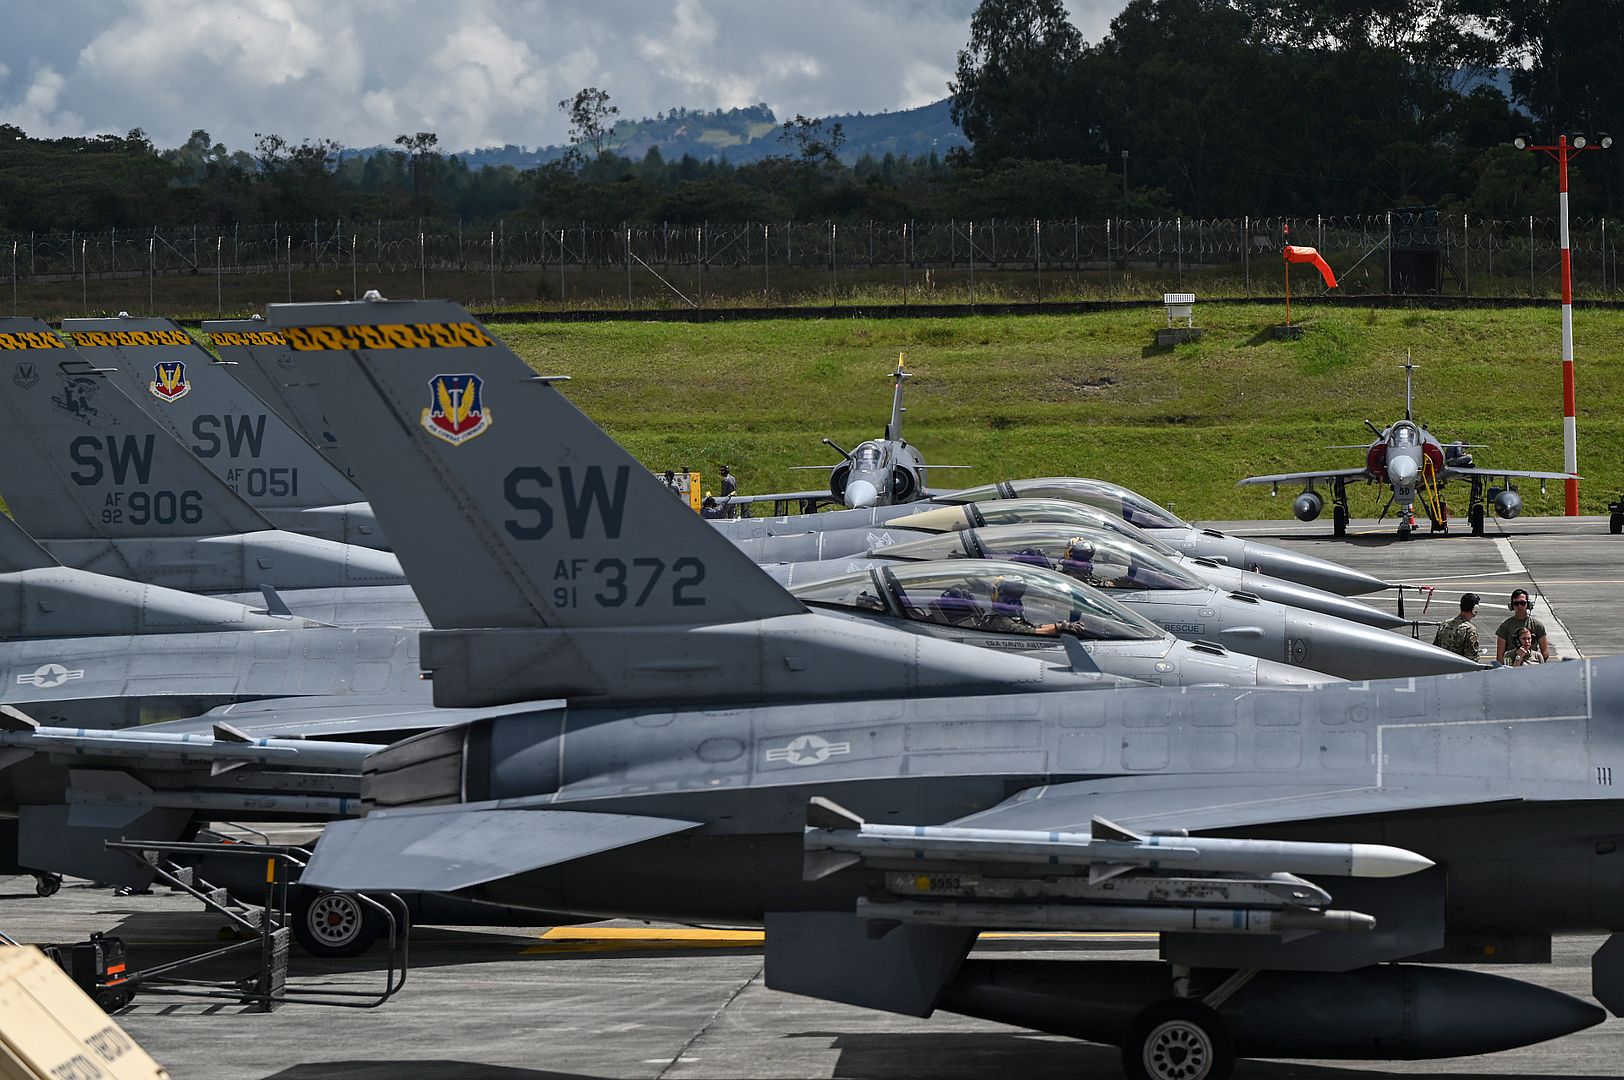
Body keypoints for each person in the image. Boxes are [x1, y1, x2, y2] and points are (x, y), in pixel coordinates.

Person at [1494, 588, 1550, 663]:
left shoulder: (1537, 625)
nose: (1519, 606)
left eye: (1522, 603)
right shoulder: (1505, 626)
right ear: (1511, 605)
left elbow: (1545, 653)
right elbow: (1500, 657)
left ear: (1528, 604)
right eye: (1516, 603)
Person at [1431, 592, 1481, 661]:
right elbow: (1472, 659)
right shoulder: (1470, 630)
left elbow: (1435, 650)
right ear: (1475, 609)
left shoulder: (1444, 624)